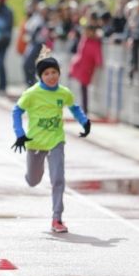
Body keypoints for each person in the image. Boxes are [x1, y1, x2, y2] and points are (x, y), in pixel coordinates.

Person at [11, 47, 90, 233]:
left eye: (54, 72)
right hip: (35, 142)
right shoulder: (31, 94)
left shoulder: (63, 93)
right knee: (33, 180)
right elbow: (16, 111)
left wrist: (85, 122)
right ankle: (31, 175)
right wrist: (20, 133)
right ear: (40, 76)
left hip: (56, 141)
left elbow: (75, 107)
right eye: (47, 73)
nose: (52, 76)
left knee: (58, 179)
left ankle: (57, 218)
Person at [69, 25, 103, 114]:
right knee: (81, 87)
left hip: (87, 68)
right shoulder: (84, 39)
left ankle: (85, 108)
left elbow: (97, 54)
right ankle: (82, 107)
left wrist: (99, 63)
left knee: (84, 87)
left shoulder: (95, 42)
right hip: (80, 65)